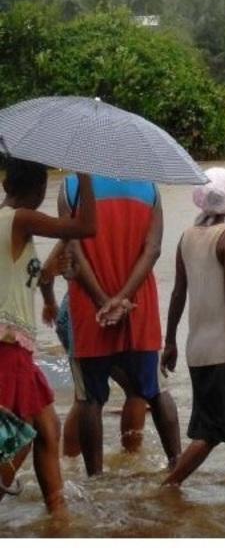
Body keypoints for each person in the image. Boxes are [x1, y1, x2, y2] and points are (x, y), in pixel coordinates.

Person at [60, 174, 180, 475]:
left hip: (88, 309)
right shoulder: (149, 187)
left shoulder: (71, 187)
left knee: (90, 399)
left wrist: (103, 301)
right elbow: (153, 249)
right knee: (155, 391)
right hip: (138, 307)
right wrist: (123, 298)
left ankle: (95, 479)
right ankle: (178, 468)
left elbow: (72, 249)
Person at [0, 160, 96, 515]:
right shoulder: (20, 219)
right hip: (8, 346)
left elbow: (26, 275)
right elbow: (87, 227)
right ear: (41, 191)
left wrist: (50, 295)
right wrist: (85, 173)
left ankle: (57, 513)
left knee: (48, 428)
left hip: (18, 345)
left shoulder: (11, 224)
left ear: (6, 184)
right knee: (17, 437)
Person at [163, 168, 225, 486]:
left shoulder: (186, 237)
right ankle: (169, 487)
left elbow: (178, 294)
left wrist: (170, 342)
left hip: (198, 348)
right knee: (212, 431)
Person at [38, 243, 148, 457]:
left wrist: (49, 303)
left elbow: (46, 272)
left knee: (84, 397)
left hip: (73, 312)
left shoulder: (78, 232)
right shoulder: (127, 232)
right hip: (110, 309)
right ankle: (131, 458)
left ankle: (70, 461)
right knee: (137, 390)